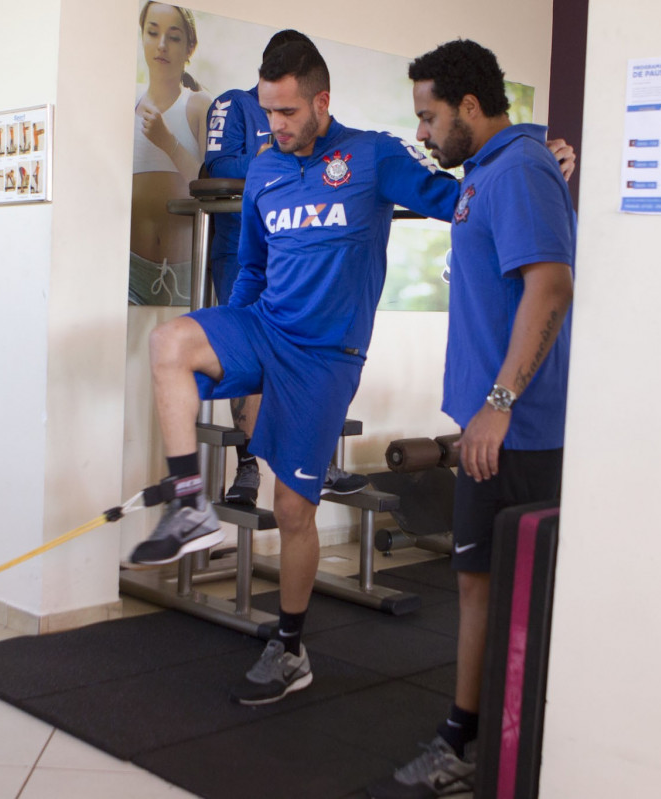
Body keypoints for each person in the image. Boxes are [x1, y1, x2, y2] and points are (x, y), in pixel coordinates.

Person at [128, 41, 470, 705]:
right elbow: (252, 266)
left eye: (287, 111)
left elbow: (454, 202)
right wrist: (233, 339)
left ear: (322, 101)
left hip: (325, 356)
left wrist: (536, 164)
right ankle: (190, 500)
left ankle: (289, 648)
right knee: (170, 342)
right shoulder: (265, 168)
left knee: (291, 507)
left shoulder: (373, 157)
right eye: (267, 111)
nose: (275, 125)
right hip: (265, 327)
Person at [367, 39, 576, 799]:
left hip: (519, 431)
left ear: (469, 106)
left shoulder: (517, 168)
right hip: (498, 424)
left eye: (429, 118)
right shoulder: (497, 170)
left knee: (503, 594)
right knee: (478, 587)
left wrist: (497, 407)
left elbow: (550, 287)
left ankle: (479, 747)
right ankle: (470, 735)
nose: (423, 134)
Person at [204, 30, 371, 506]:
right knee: (252, 360)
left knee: (310, 355)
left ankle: (313, 459)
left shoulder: (320, 124)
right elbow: (216, 165)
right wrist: (265, 157)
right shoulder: (234, 104)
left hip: (302, 260)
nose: (279, 119)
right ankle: (248, 469)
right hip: (243, 252)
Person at [130, 2, 212, 306]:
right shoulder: (128, 102)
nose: (161, 45)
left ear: (190, 46)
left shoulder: (199, 105)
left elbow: (211, 188)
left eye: (174, 37)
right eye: (152, 33)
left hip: (186, 271)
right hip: (129, 271)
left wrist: (169, 143)